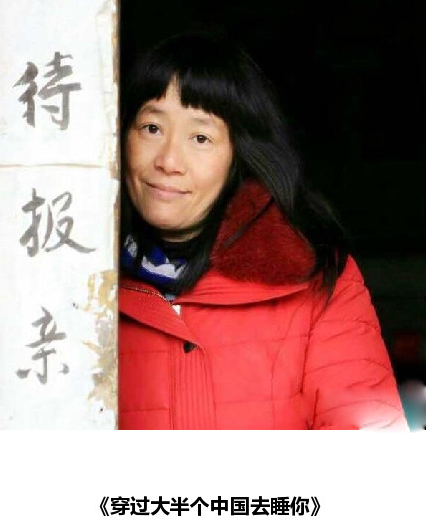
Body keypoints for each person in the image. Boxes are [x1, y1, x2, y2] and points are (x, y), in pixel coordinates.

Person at [119, 32, 408, 430]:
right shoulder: (72, 285)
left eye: (200, 137)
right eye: (151, 128)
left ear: (239, 156)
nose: (168, 160)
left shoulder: (320, 281)